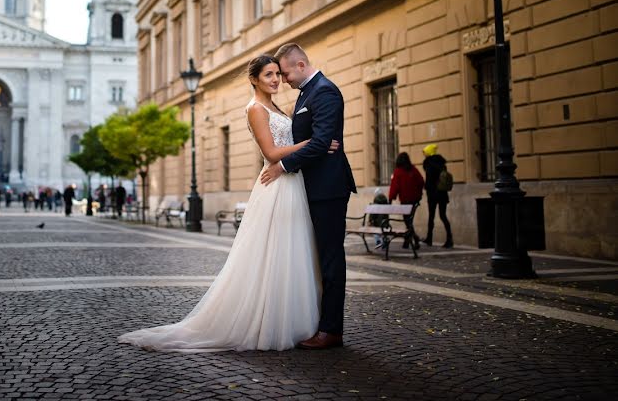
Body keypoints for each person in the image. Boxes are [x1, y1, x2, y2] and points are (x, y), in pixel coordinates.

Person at [119, 54, 341, 352]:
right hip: (275, 184)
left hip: (292, 184)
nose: (276, 80)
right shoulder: (255, 109)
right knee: (270, 254)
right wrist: (314, 144)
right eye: (269, 75)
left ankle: (295, 318)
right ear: (254, 79)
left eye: (278, 74)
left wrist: (306, 147)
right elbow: (272, 152)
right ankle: (267, 320)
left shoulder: (278, 106)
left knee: (293, 251)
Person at [260, 43, 357, 350]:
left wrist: (283, 165)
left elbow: (322, 142)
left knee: (330, 258)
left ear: (300, 65)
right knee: (315, 258)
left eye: (285, 73)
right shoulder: (305, 92)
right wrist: (311, 144)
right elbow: (312, 141)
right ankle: (317, 321)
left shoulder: (325, 91)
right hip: (310, 187)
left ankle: (331, 330)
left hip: (328, 188)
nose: (284, 80)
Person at [388, 151, 424, 249]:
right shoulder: (413, 169)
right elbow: (421, 181)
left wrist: (391, 199)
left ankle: (414, 239)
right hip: (414, 200)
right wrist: (419, 194)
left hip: (405, 201)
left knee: (408, 221)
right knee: (409, 221)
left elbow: (394, 187)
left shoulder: (398, 171)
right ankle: (408, 241)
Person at [422, 143, 453, 248]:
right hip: (442, 194)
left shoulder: (429, 164)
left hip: (433, 194)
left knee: (431, 216)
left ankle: (429, 238)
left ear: (429, 153)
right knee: (443, 215)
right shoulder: (441, 163)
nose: (424, 155)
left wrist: (426, 187)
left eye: (425, 153)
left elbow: (429, 180)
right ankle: (449, 238)